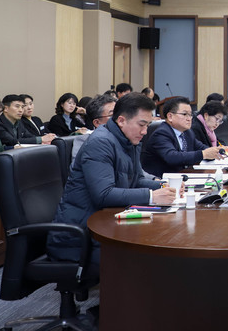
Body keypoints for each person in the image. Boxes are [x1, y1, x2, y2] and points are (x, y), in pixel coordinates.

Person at [47, 93, 176, 273]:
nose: (145, 132)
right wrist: (151, 196)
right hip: (80, 237)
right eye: (141, 125)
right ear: (121, 120)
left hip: (106, 224)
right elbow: (103, 194)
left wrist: (165, 186)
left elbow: (135, 179)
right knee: (153, 260)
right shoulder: (100, 142)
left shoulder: (128, 140)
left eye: (147, 125)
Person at [141, 96, 221, 178]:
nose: (189, 119)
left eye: (190, 115)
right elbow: (172, 157)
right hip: (161, 181)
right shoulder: (161, 133)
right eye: (184, 114)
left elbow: (202, 148)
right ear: (170, 116)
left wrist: (215, 152)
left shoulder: (187, 132)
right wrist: (203, 154)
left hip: (182, 177)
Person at [72, 94, 117, 161]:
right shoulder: (83, 142)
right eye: (112, 115)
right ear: (97, 122)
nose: (119, 118)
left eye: (119, 113)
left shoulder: (126, 138)